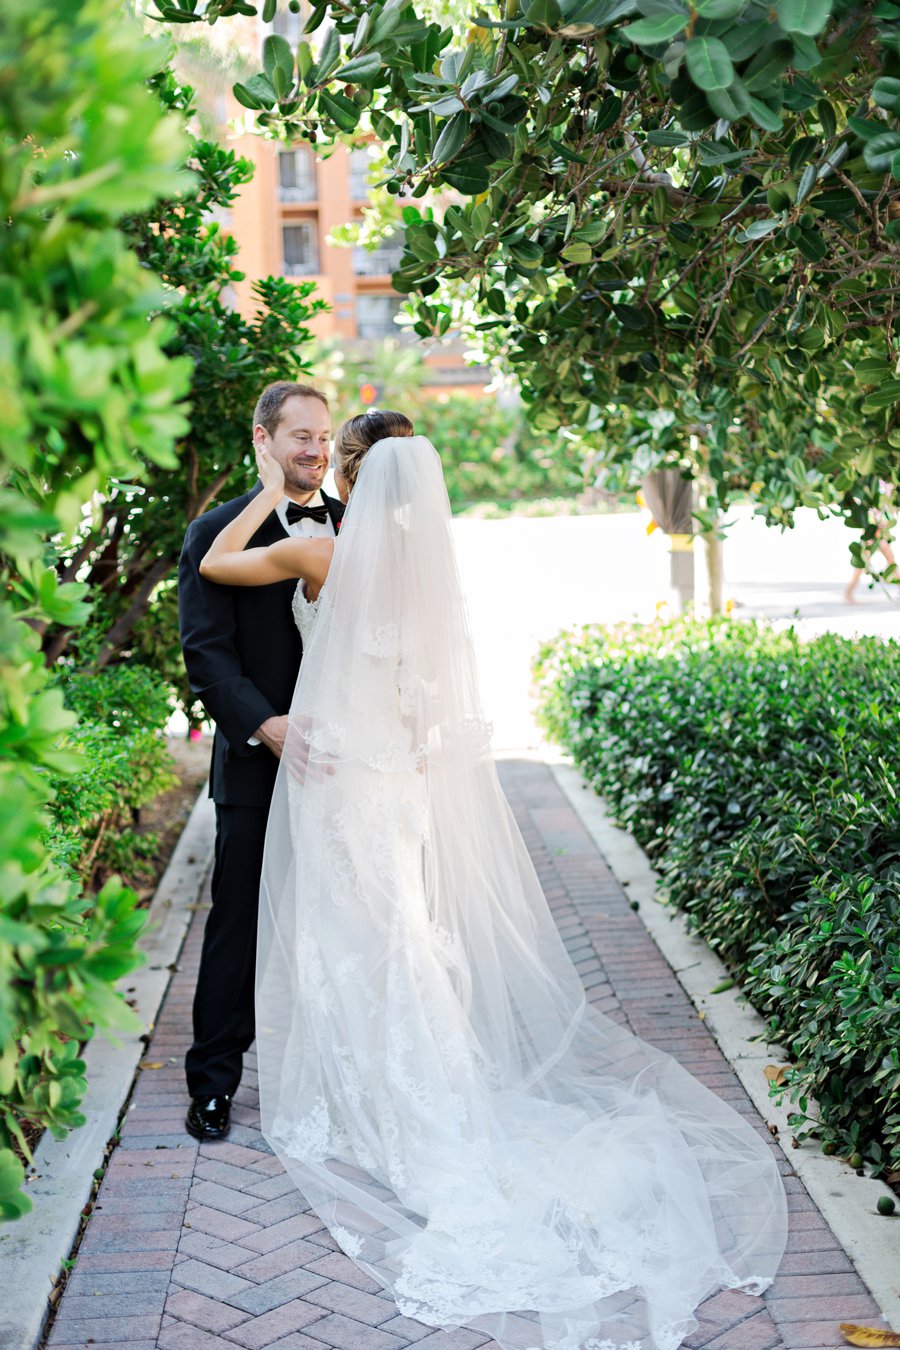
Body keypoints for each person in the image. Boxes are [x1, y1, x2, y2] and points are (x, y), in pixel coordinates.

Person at [198, 410, 787, 1350]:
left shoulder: (318, 553)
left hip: (341, 777)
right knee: (400, 930)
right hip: (398, 778)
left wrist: (271, 487)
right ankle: (420, 1081)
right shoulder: (428, 574)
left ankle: (372, 1096)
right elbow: (431, 698)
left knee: (352, 933)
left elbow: (218, 567)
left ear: (350, 471)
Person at [177, 382, 344, 1141]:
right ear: (264, 441)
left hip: (346, 768)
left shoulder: (354, 527)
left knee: (345, 921)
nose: (313, 449)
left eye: (323, 435)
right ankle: (213, 1083)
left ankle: (346, 1074)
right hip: (255, 763)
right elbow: (205, 653)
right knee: (237, 926)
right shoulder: (216, 533)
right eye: (299, 436)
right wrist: (264, 725)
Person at [845, 480, 896, 603]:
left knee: (892, 564)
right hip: (870, 537)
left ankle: (848, 593)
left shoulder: (886, 499)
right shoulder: (872, 497)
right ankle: (848, 593)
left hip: (880, 538)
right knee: (861, 566)